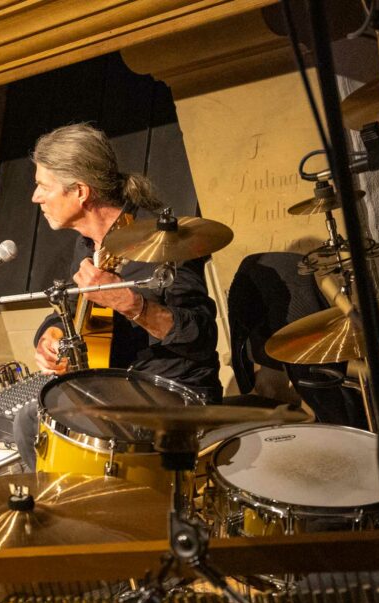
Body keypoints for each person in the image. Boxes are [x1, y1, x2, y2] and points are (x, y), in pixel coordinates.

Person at [12, 123, 222, 466]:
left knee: (36, 423)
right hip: (115, 389)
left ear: (80, 191)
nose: (35, 197)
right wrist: (51, 336)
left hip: (174, 394)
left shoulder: (162, 241)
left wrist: (130, 304)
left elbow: (200, 334)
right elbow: (65, 311)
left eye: (42, 186)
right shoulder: (87, 246)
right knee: (30, 421)